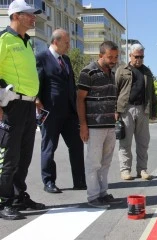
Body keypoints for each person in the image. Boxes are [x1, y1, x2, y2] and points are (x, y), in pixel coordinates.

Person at [0, 0, 45, 220]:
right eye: (29, 14)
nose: (33, 17)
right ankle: (3, 202)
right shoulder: (4, 40)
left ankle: (18, 197)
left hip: (28, 105)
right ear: (16, 16)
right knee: (8, 156)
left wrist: (35, 99)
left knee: (24, 156)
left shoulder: (27, 42)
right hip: (11, 106)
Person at [36, 28, 86, 194]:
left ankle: (80, 181)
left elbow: (70, 84)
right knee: (49, 147)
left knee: (77, 146)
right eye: (66, 42)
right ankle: (49, 181)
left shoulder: (67, 60)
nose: (69, 46)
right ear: (56, 42)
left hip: (70, 112)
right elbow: (37, 82)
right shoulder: (41, 58)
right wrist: (37, 100)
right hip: (51, 112)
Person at [77, 41, 120, 208]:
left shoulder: (111, 73)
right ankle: (93, 196)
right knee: (94, 162)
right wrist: (83, 125)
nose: (113, 60)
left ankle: (103, 193)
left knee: (106, 162)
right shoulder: (88, 72)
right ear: (100, 55)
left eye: (116, 57)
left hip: (109, 125)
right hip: (94, 126)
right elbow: (80, 99)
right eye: (110, 57)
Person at [115, 43, 157, 181]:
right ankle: (125, 170)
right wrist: (115, 110)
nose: (139, 59)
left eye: (141, 57)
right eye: (136, 56)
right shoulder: (122, 70)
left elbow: (152, 92)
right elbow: (115, 90)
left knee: (143, 142)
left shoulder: (147, 72)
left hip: (142, 109)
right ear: (130, 56)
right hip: (126, 109)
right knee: (125, 142)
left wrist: (154, 111)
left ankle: (142, 170)